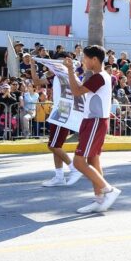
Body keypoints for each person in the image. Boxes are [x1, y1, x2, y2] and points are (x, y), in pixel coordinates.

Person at [63, 47, 121, 214]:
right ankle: (100, 199)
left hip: (95, 122)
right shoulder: (100, 77)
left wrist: (69, 71)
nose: (83, 61)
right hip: (93, 121)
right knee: (93, 161)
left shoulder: (99, 77)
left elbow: (76, 91)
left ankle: (109, 190)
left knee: (79, 162)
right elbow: (81, 91)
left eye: (85, 58)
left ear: (94, 59)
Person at [29, 56, 82, 186]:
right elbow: (36, 81)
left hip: (63, 112)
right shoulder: (55, 77)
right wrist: (32, 64)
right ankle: (59, 177)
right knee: (56, 145)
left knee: (53, 146)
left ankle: (74, 169)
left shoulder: (70, 76)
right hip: (58, 111)